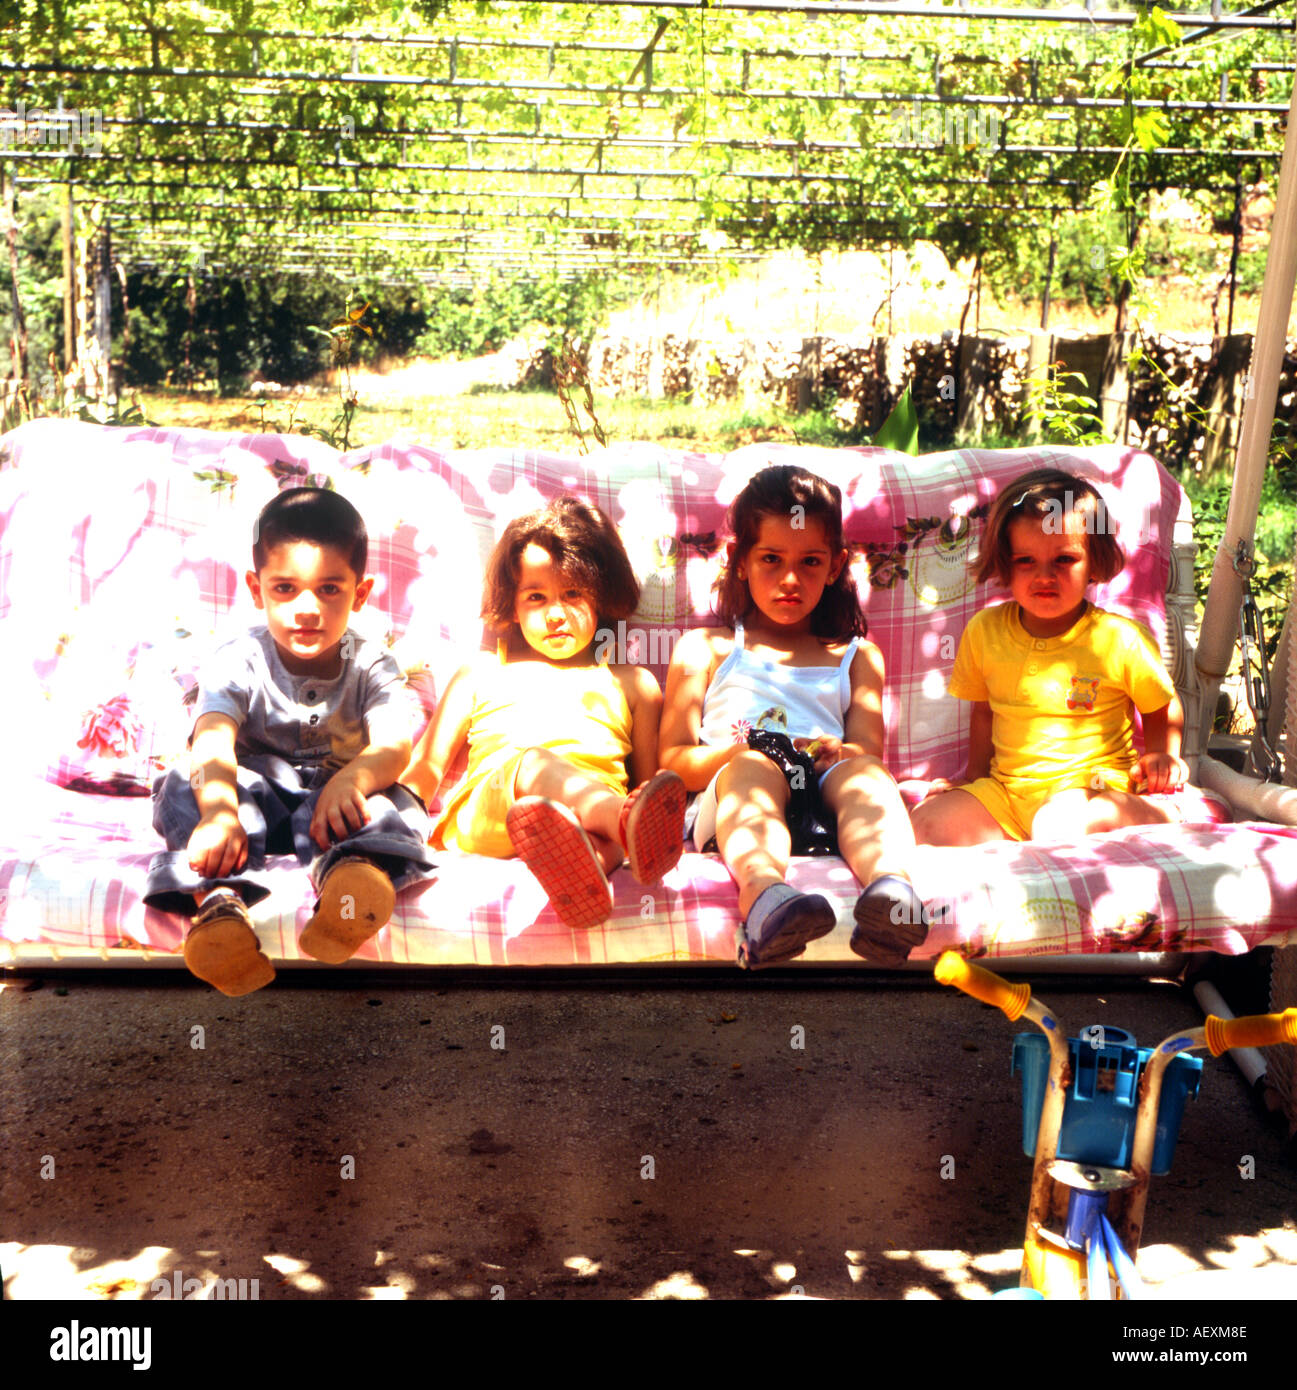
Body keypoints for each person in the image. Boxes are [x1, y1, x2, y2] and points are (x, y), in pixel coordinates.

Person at [144, 486, 437, 997]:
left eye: (329, 589)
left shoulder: (370, 661)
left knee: (396, 800)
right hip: (252, 801)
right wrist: (218, 812)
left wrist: (354, 779)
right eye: (286, 590)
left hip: (338, 809)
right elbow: (212, 739)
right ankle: (219, 910)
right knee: (181, 780)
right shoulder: (239, 658)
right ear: (256, 591)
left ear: (360, 594)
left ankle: (351, 886)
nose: (307, 609)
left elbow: (394, 744)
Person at [659, 465, 923, 969]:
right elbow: (669, 763)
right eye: (771, 559)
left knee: (867, 775)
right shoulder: (707, 649)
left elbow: (869, 753)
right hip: (735, 804)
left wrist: (837, 753)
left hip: (824, 806)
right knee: (757, 768)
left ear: (835, 565)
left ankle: (892, 894)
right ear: (739, 562)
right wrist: (745, 753)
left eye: (810, 563)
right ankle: (765, 899)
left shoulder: (856, 656)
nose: (789, 580)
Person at [403, 496, 685, 929]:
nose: (555, 615)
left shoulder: (634, 683)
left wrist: (633, 822)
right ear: (511, 605)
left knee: (602, 835)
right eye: (536, 597)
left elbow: (647, 793)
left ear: (603, 596)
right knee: (535, 762)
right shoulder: (481, 671)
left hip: (580, 826)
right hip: (493, 811)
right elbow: (425, 768)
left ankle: (590, 871)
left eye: (573, 594)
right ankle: (618, 827)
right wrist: (386, 825)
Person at [912, 467, 1219, 848]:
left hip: (1092, 790)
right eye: (1026, 560)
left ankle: (1156, 812)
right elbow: (984, 713)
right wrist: (973, 780)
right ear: (1005, 561)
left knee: (1055, 826)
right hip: (1008, 791)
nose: (1044, 576)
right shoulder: (984, 630)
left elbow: (1162, 705)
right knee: (926, 823)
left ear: (1094, 560)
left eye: (1064, 560)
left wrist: (1161, 759)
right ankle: (1028, 851)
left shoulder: (1117, 639)